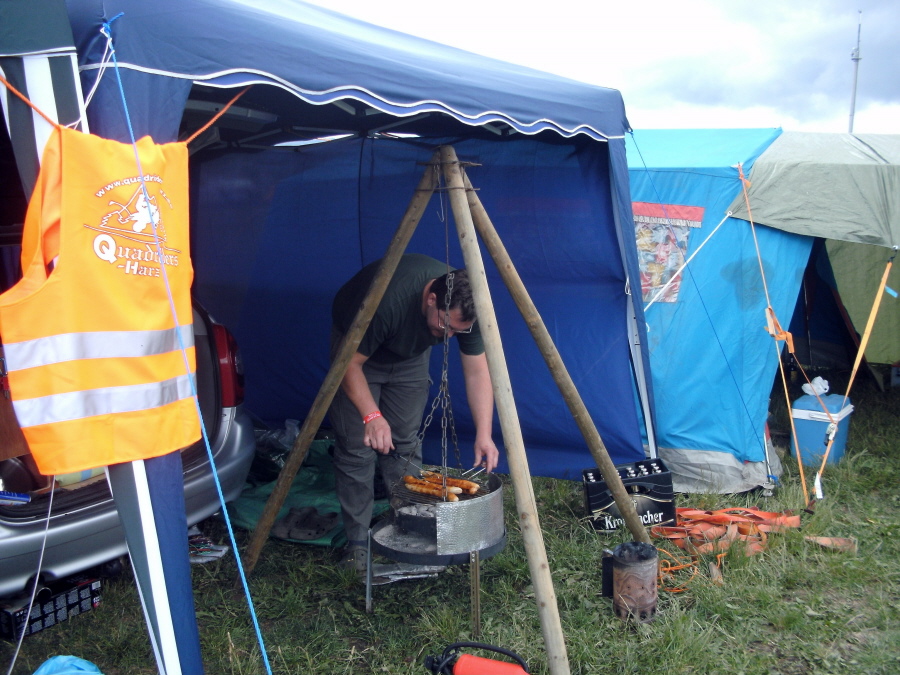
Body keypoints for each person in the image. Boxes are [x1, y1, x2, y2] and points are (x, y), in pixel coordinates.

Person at [328, 253, 500, 574]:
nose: (449, 337)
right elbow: (348, 364)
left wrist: (484, 433)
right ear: (431, 298)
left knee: (404, 442)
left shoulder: (469, 306)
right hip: (360, 350)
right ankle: (358, 542)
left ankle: (409, 525)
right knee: (356, 449)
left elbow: (478, 371)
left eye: (458, 331)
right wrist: (371, 416)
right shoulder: (386, 303)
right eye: (446, 326)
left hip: (409, 357)